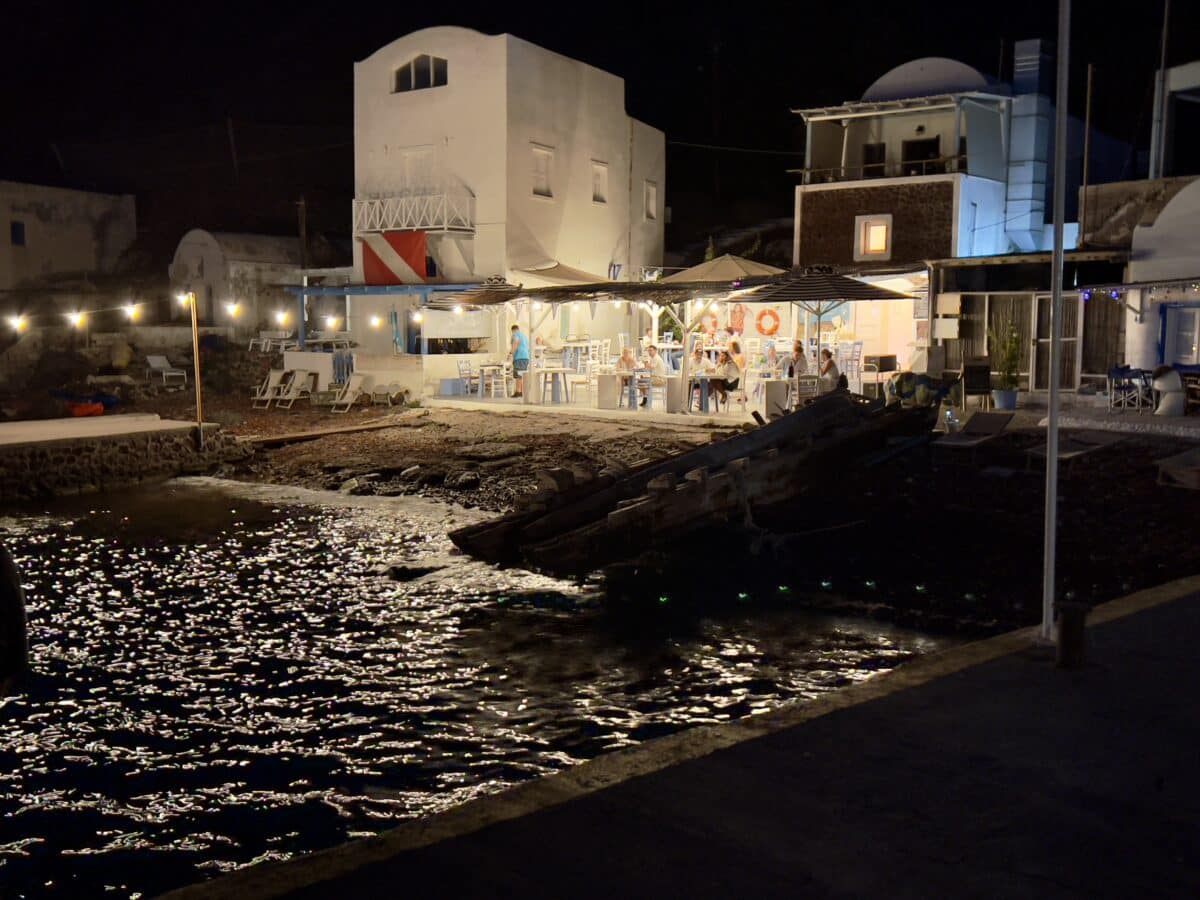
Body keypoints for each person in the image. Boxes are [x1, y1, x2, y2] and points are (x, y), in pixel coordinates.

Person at [510, 324, 530, 398]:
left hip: (519, 357)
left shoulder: (515, 334)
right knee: (522, 375)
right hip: (526, 357)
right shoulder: (524, 336)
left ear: (513, 330)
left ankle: (518, 392)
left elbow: (515, 343)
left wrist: (511, 353)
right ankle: (520, 391)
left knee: (518, 375)